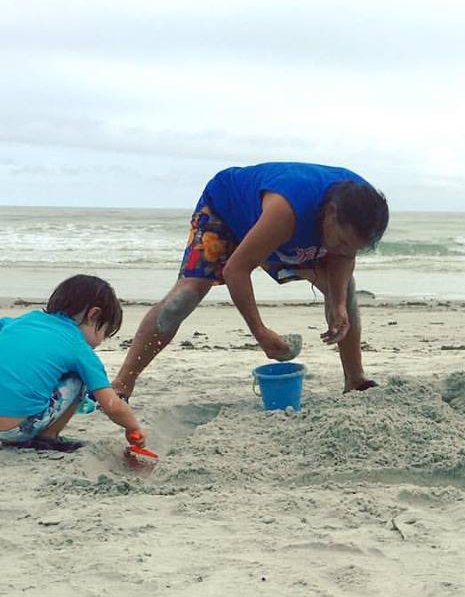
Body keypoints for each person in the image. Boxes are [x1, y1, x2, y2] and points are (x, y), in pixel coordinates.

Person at [112, 162, 389, 399]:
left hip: (284, 232)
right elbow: (236, 270)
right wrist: (260, 331)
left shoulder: (363, 207)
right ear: (331, 213)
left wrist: (338, 303)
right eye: (340, 241)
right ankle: (123, 383)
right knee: (184, 297)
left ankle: (355, 380)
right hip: (225, 211)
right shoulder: (286, 210)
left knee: (345, 290)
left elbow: (344, 257)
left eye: (352, 246)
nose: (342, 249)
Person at [0, 275, 146, 452]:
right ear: (94, 315)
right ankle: (48, 438)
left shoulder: (21, 321)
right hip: (15, 430)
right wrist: (133, 427)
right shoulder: (78, 347)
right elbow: (112, 406)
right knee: (79, 376)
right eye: (104, 333)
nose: (100, 342)